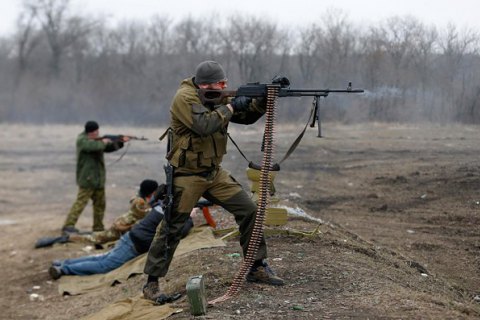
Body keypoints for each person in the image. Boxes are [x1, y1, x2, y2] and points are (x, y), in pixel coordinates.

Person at [142, 60, 285, 302]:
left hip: (213, 172)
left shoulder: (215, 95)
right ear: (207, 84)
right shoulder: (184, 98)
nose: (225, 86)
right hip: (187, 175)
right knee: (172, 226)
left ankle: (256, 266)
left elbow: (246, 116)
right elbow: (204, 124)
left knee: (250, 210)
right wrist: (229, 106)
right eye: (221, 83)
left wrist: (263, 99)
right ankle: (151, 284)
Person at [49, 206, 194, 279]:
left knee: (101, 258)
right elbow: (180, 231)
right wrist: (190, 217)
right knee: (104, 265)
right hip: (132, 245)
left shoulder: (162, 206)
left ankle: (63, 263)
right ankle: (63, 269)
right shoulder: (172, 214)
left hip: (130, 238)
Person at [62, 121, 129, 234]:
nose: (97, 133)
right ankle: (68, 226)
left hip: (98, 179)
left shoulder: (98, 141)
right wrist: (104, 141)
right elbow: (93, 146)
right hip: (87, 179)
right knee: (80, 203)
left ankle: (98, 228)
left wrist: (119, 142)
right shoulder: (82, 140)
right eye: (95, 132)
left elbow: (108, 148)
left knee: (100, 205)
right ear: (90, 132)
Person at [68, 179, 159, 245]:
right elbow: (148, 214)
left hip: (122, 225)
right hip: (120, 228)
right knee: (94, 239)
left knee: (98, 236)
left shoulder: (143, 199)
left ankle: (75, 236)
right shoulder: (140, 202)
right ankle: (68, 238)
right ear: (150, 192)